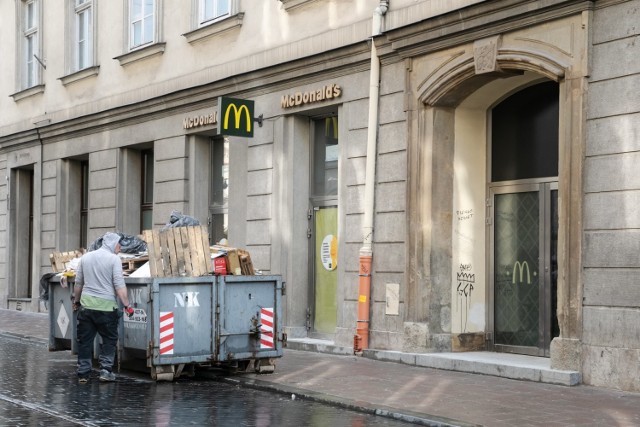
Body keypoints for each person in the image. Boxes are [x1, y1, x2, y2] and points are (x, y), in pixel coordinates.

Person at [72, 232, 134, 383]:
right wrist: (127, 305)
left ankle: (83, 373)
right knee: (109, 340)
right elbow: (119, 285)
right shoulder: (114, 260)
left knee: (85, 341)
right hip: (106, 309)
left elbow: (78, 283)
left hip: (86, 308)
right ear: (112, 243)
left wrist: (76, 301)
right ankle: (105, 371)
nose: (120, 247)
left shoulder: (85, 257)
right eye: (119, 244)